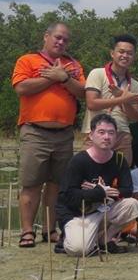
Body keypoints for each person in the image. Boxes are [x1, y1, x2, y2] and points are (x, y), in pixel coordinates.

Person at [12, 22, 86, 247]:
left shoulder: (73, 65)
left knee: (57, 184)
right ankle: (27, 232)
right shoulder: (28, 60)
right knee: (31, 183)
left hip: (64, 134)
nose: (61, 42)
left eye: (65, 39)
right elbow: (21, 87)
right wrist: (52, 77)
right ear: (46, 36)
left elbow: (83, 93)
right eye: (57, 37)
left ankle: (49, 229)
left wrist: (64, 77)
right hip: (35, 132)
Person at [56, 113, 138, 255]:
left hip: (105, 210)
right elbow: (67, 195)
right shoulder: (79, 161)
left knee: (132, 204)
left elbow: (127, 190)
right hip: (79, 214)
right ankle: (68, 238)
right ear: (91, 135)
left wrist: (106, 190)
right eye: (101, 132)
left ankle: (104, 240)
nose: (106, 137)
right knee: (79, 250)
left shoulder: (119, 160)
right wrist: (98, 192)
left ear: (116, 136)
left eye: (111, 133)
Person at [82, 34, 138, 167]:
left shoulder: (134, 84)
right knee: (90, 173)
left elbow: (134, 117)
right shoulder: (97, 74)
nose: (125, 56)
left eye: (129, 53)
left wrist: (123, 99)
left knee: (121, 174)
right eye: (121, 51)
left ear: (134, 57)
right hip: (96, 131)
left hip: (122, 134)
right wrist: (122, 98)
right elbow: (92, 103)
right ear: (112, 53)